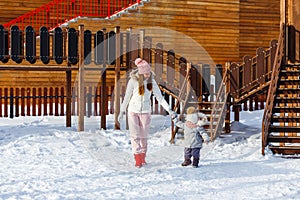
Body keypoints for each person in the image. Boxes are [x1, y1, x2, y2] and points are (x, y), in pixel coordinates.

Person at [118, 58, 176, 168]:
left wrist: (169, 109)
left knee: (143, 136)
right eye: (145, 73)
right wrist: (121, 111)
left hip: (145, 112)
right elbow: (127, 97)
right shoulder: (133, 81)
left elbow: (160, 98)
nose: (148, 75)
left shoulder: (152, 82)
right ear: (140, 73)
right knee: (135, 136)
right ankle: (137, 158)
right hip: (133, 111)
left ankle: (143, 156)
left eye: (149, 72)